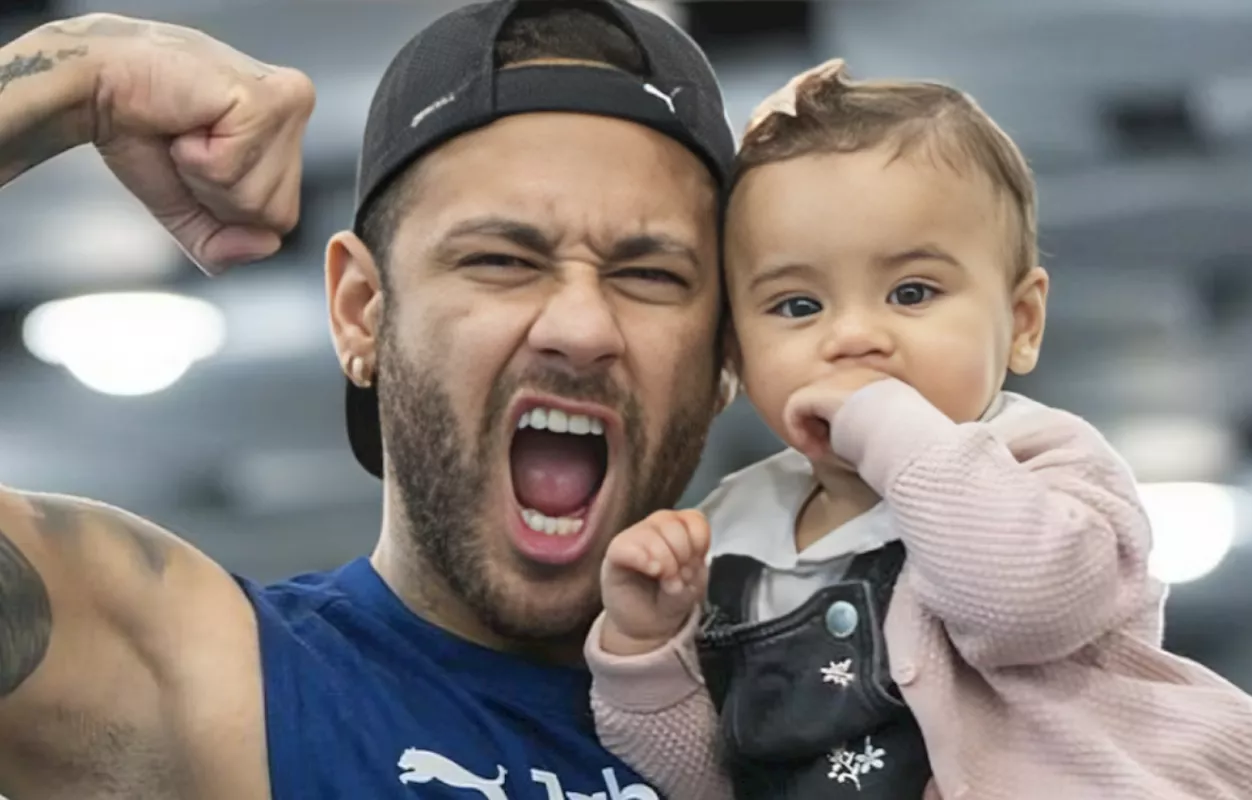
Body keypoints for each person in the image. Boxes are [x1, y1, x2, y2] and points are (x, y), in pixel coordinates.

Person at [0, 1, 737, 797]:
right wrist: (81, 74)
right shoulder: (213, 681)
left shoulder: (835, 702)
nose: (582, 326)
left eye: (650, 276)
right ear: (360, 311)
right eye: (500, 260)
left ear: (727, 356)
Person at [584, 60, 1252, 800]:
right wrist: (645, 647)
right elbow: (712, 779)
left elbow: (1026, 609)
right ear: (735, 353)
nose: (853, 336)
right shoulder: (732, 529)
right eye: (796, 306)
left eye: (911, 292)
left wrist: (888, 425)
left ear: (1021, 323)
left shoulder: (1043, 460)